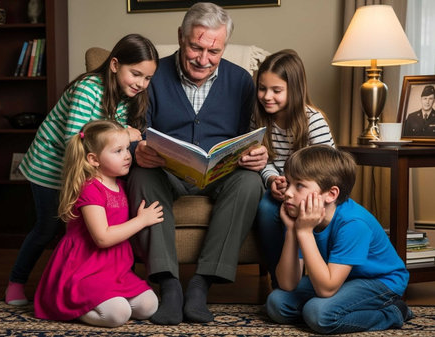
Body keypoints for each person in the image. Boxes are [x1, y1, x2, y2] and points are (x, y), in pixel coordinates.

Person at [126, 2, 268, 325]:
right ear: (180, 37)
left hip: (221, 174)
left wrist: (259, 155)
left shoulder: (242, 81)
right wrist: (138, 150)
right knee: (141, 175)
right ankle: (170, 285)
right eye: (195, 47)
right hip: (166, 171)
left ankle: (201, 285)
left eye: (214, 51)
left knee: (250, 182)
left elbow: (251, 135)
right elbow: (133, 129)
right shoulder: (153, 76)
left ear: (224, 47)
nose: (203, 59)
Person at [5, 34, 159, 306]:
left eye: (147, 78)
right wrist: (125, 132)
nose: (141, 84)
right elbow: (72, 141)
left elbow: (114, 143)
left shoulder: (128, 97)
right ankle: (17, 280)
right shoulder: (88, 89)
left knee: (81, 233)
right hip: (51, 167)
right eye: (135, 74)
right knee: (47, 227)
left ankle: (85, 283)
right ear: (114, 65)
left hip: (89, 170)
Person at [266, 145, 412, 334]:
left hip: (379, 281)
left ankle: (393, 313)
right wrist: (293, 231)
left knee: (318, 314)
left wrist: (304, 233)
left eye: (299, 185)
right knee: (276, 303)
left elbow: (325, 291)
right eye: (289, 183)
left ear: (331, 194)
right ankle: (341, 307)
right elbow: (287, 283)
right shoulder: (303, 217)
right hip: (336, 278)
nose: (288, 193)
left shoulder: (353, 223)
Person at [34, 120, 163, 327]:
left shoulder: (121, 184)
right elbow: (102, 237)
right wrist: (141, 221)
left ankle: (105, 301)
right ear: (93, 159)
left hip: (114, 267)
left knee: (150, 305)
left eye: (126, 149)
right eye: (118, 151)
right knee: (118, 314)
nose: (127, 155)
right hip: (85, 267)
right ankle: (73, 310)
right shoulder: (90, 188)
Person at [252, 49, 334, 288]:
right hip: (278, 190)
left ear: (294, 90)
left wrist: (296, 188)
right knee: (267, 208)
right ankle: (280, 280)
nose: (267, 96)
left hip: (311, 192)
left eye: (276, 91)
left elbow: (325, 167)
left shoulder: (313, 120)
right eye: (262, 88)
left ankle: (316, 277)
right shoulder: (258, 120)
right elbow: (263, 160)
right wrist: (271, 180)